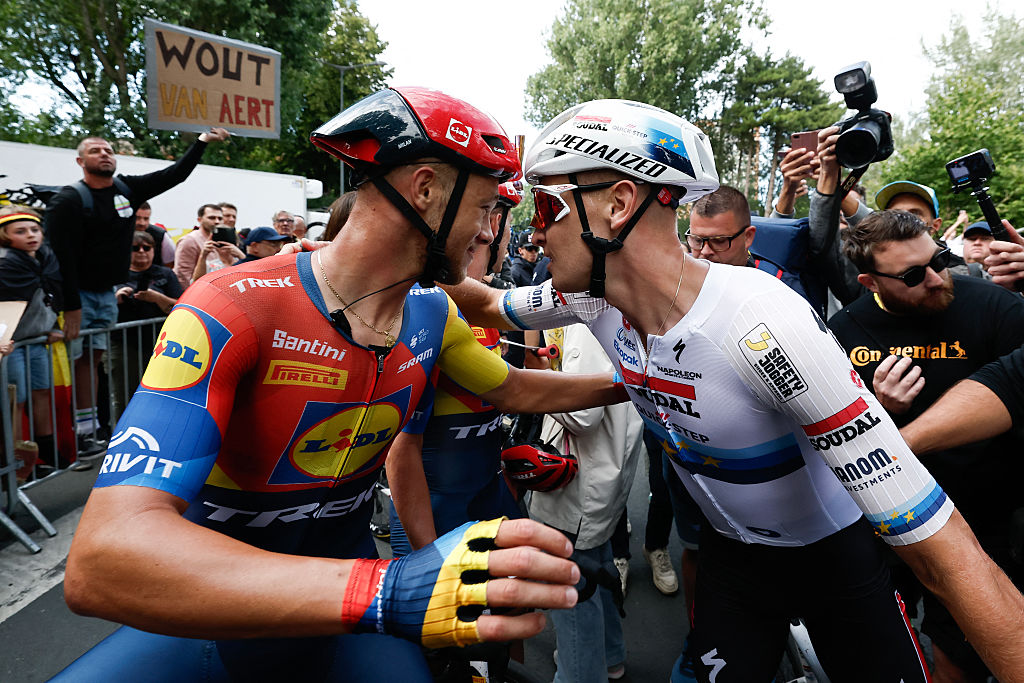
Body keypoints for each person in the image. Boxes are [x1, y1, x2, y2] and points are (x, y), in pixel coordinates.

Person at [444, 98, 1024, 682]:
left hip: (834, 560)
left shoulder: (760, 322)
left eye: (548, 205)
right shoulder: (588, 298)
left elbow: (941, 547)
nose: (534, 230)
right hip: (732, 556)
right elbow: (489, 302)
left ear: (618, 205)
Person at [62, 87, 625, 682]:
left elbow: (512, 376)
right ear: (426, 189)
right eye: (486, 206)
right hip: (218, 613)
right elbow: (102, 561)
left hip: (346, 611)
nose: (489, 229)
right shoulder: (232, 305)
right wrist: (384, 589)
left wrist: (635, 379)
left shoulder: (432, 310)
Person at [828, 208, 1024, 682]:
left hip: (981, 518)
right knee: (880, 641)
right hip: (881, 517)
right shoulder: (842, 332)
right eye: (914, 275)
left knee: (963, 648)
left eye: (938, 259)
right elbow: (825, 435)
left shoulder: (996, 308)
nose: (937, 278)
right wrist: (878, 410)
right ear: (871, 282)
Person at [43, 128, 228, 456]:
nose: (105, 153)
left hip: (104, 295)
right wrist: (70, 305)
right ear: (80, 161)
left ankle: (90, 432)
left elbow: (175, 174)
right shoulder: (69, 200)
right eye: (96, 149)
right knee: (80, 364)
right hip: (78, 296)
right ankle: (82, 434)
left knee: (93, 362)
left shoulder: (127, 188)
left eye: (109, 149)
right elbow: (60, 258)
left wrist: (201, 142)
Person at [386, 180, 522, 557]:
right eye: (504, 227)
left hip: (483, 490)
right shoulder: (426, 306)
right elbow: (401, 447)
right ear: (493, 223)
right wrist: (426, 558)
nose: (506, 239)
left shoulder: (480, 300)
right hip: (436, 510)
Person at [532, 322, 643, 683]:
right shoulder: (610, 311)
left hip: (580, 482)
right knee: (598, 570)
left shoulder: (583, 324)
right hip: (602, 476)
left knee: (570, 591)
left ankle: (580, 670)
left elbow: (581, 413)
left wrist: (539, 377)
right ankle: (610, 656)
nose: (549, 261)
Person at [0, 206, 64, 477]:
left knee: (41, 395)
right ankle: (15, 464)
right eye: (21, 231)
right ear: (4, 235)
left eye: (35, 229)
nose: (30, 235)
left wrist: (54, 326)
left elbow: (50, 295)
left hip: (37, 342)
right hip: (12, 345)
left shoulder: (46, 258)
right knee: (17, 402)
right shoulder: (4, 263)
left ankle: (46, 456)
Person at [110, 231, 183, 414]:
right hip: (124, 344)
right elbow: (100, 307)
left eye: (146, 248)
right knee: (125, 395)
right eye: (135, 248)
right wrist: (116, 299)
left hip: (162, 344)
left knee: (162, 393)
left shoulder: (165, 273)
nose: (141, 252)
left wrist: (157, 298)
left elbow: (182, 306)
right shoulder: (116, 274)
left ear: (153, 250)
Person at [173, 204, 244, 288]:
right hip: (198, 292)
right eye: (211, 218)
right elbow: (182, 275)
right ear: (199, 220)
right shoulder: (189, 240)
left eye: (220, 218)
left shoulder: (224, 238)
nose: (217, 221)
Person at [686, 185, 755, 266]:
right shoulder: (679, 272)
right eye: (697, 240)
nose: (705, 251)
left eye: (719, 241)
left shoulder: (768, 277)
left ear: (747, 237)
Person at [134, 201, 174, 267]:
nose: (142, 223)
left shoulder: (161, 235)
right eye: (137, 218)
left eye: (146, 219)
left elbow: (170, 264)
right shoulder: (117, 232)